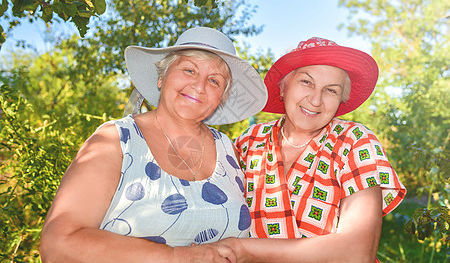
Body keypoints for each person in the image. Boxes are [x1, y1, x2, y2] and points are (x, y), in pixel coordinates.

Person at [40, 27, 268, 263]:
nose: (200, 86)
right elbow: (58, 244)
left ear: (222, 97)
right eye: (189, 70)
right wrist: (178, 257)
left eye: (214, 81)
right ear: (162, 77)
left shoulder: (229, 150)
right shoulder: (116, 140)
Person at [218, 37, 407, 262]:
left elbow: (357, 253)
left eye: (331, 90)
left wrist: (241, 249)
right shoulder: (248, 142)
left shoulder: (355, 142)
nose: (316, 100)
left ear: (341, 100)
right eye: (306, 82)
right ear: (283, 86)